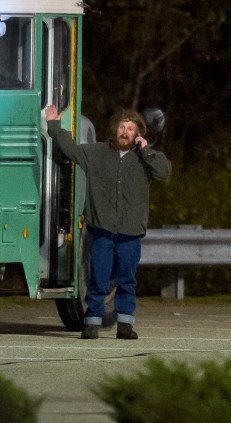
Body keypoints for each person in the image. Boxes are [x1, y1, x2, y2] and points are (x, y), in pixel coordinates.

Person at [45, 105, 171, 340]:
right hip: (102, 231)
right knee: (98, 278)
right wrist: (53, 125)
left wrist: (147, 150)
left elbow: (164, 172)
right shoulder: (96, 153)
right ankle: (92, 323)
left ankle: (125, 325)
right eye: (122, 127)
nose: (125, 132)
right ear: (115, 130)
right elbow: (70, 150)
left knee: (126, 280)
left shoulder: (145, 159)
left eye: (130, 128)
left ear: (138, 134)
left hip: (130, 233)